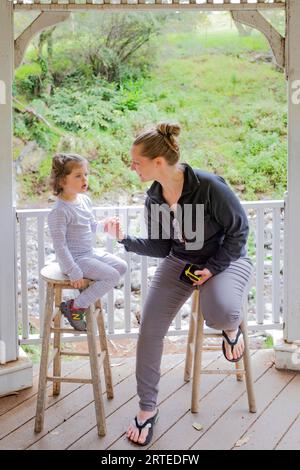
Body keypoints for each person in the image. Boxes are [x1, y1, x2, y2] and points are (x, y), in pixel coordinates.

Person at [105, 122, 253, 446]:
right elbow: (162, 247)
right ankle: (147, 410)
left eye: (136, 161)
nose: (132, 167)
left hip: (225, 260)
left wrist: (213, 269)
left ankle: (231, 329)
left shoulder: (209, 186)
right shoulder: (154, 198)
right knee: (150, 330)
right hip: (182, 262)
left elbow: (240, 231)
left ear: (158, 161)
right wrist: (124, 240)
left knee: (221, 313)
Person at [48, 153, 127, 331]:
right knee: (112, 276)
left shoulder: (84, 200)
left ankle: (82, 298)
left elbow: (91, 226)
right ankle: (75, 306)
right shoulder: (59, 211)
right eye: (78, 175)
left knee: (121, 266)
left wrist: (105, 226)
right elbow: (59, 246)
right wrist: (74, 271)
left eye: (86, 174)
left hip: (88, 254)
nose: (84, 179)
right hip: (74, 260)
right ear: (62, 181)